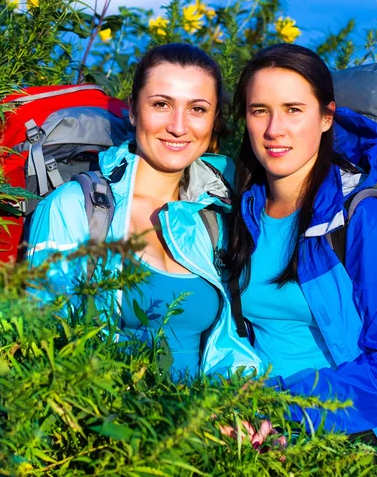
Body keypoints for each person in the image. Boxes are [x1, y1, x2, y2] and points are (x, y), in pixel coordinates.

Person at [225, 43, 377, 475]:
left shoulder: (362, 221)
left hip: (351, 440)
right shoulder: (240, 212)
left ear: (326, 117)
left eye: (294, 109)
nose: (274, 129)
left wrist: (287, 409)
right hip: (256, 435)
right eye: (259, 110)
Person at [27, 43, 262, 380]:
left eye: (197, 109)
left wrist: (240, 410)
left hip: (200, 426)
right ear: (134, 111)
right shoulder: (77, 208)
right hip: (103, 422)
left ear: (214, 121)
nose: (179, 127)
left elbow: (228, 345)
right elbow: (42, 343)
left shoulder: (215, 217)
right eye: (161, 104)